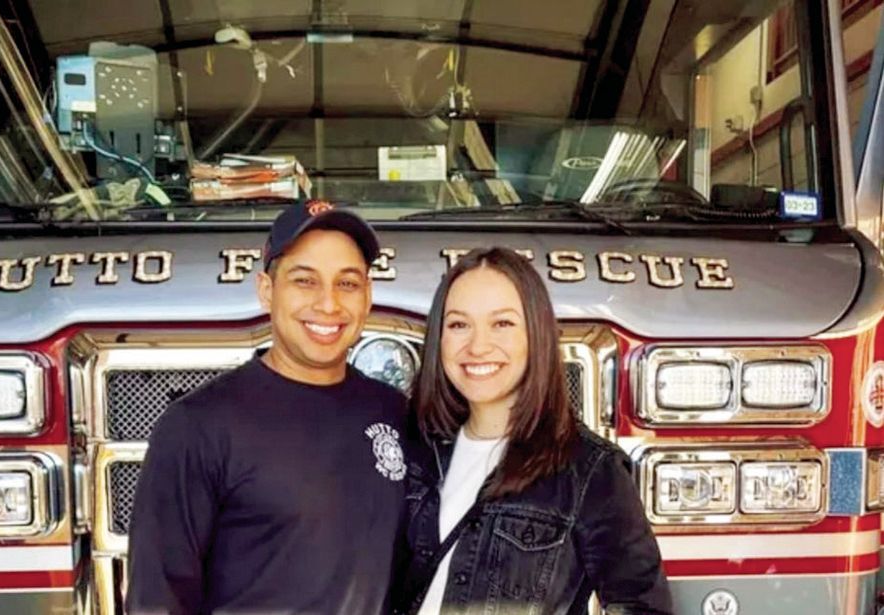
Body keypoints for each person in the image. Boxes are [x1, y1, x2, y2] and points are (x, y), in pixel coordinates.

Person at [125, 200, 409, 615]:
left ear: (367, 296)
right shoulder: (198, 426)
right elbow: (157, 600)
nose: (328, 304)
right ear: (266, 291)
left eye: (347, 283)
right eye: (304, 281)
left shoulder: (392, 412)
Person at [397, 247, 672, 615]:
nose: (478, 346)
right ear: (438, 338)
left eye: (503, 324)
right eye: (459, 324)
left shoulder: (591, 471)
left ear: (536, 335)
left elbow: (642, 604)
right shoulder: (412, 449)